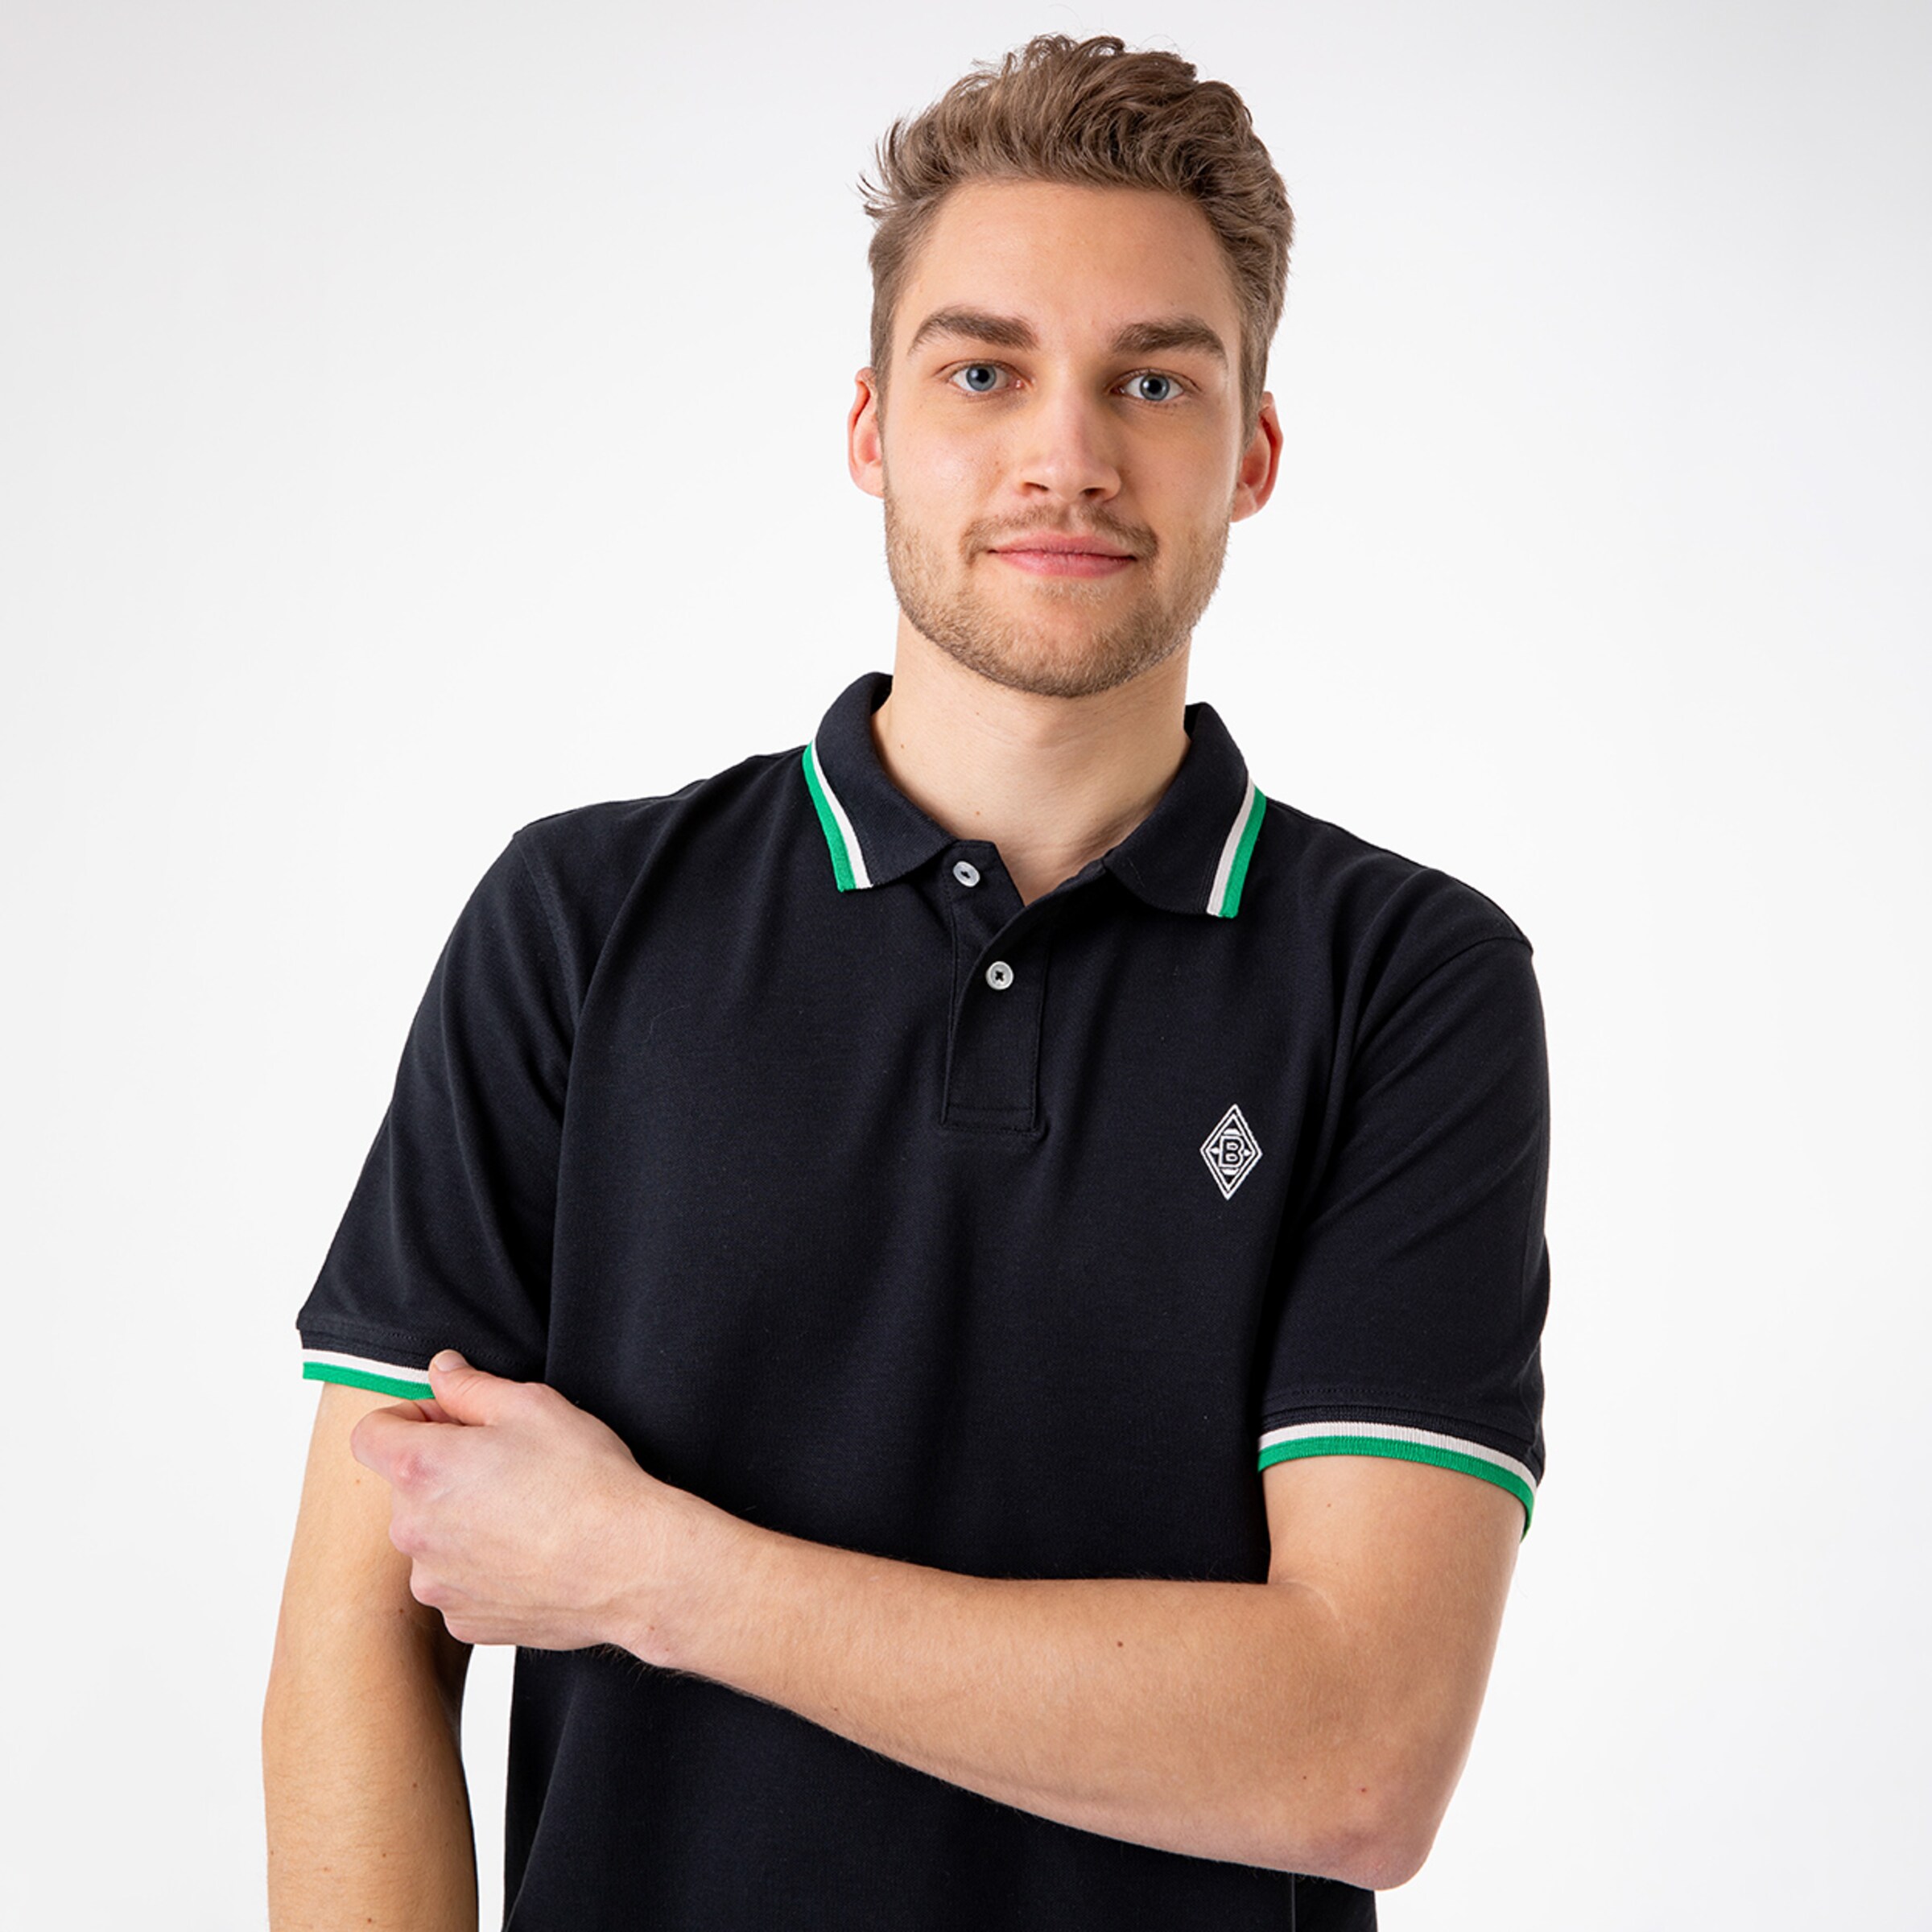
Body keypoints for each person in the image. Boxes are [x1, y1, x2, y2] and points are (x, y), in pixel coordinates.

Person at [262, 33, 1549, 1932]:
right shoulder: (581, 922)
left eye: (1154, 381)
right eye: (983, 370)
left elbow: (1355, 1758)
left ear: (1253, 454)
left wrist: (659, 1576)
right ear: (870, 427)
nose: (1065, 455)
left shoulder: (1408, 986)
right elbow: (355, 1653)